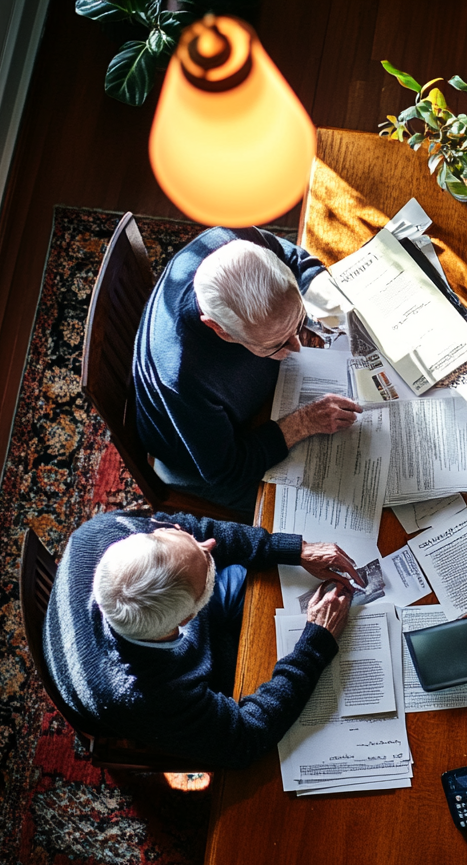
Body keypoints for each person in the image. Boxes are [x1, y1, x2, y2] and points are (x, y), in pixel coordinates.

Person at [43, 510, 364, 770]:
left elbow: (195, 528)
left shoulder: (105, 530)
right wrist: (315, 644)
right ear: (187, 620)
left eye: (174, 535)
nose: (208, 544)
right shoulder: (149, 695)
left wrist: (291, 549)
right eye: (207, 565)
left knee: (263, 591)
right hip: (158, 693)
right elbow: (246, 739)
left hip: (144, 635)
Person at [133, 226, 362, 513]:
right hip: (201, 460)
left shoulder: (232, 239)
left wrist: (324, 295)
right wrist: (303, 423)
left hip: (246, 406)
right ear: (220, 330)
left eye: (297, 324)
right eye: (276, 344)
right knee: (330, 502)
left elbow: (293, 259)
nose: (296, 346)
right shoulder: (180, 378)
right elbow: (225, 470)